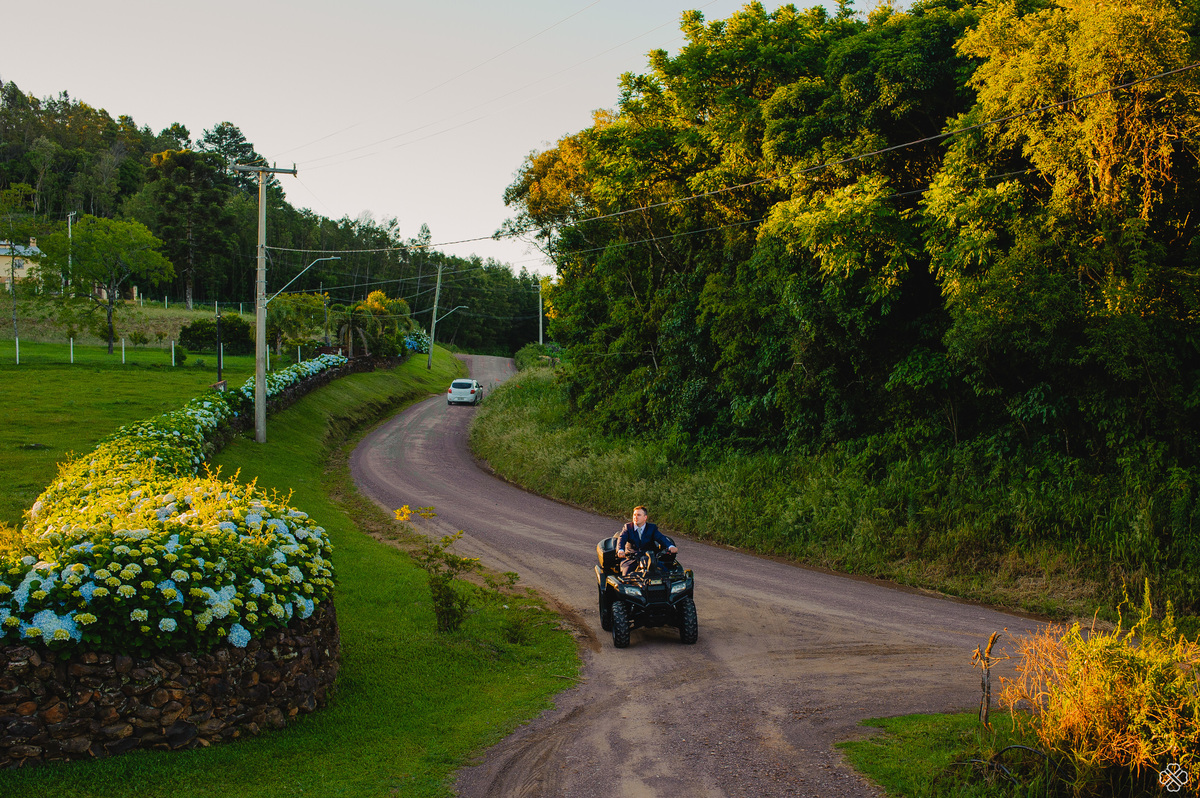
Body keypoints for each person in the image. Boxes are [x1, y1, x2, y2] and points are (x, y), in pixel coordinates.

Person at [616, 505, 677, 576]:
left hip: (650, 559)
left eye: (638, 515)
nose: (635, 517)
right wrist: (620, 550)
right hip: (631, 559)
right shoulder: (628, 527)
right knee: (626, 575)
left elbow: (661, 538)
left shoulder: (652, 528)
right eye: (634, 515)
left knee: (665, 574)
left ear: (645, 517)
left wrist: (670, 546)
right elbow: (622, 538)